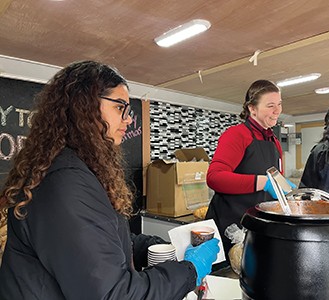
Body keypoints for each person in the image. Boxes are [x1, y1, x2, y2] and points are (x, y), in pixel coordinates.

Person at [0, 60, 219, 299]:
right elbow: (114, 294)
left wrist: (149, 247)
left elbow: (99, 240)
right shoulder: (65, 182)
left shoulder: (75, 168)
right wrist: (190, 271)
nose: (128, 119)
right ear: (84, 105)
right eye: (120, 107)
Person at [206, 79, 294, 258]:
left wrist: (284, 187)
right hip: (230, 226)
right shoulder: (236, 135)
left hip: (258, 225)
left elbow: (275, 176)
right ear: (252, 109)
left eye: (279, 104)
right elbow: (214, 177)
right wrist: (263, 182)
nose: (277, 111)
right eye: (270, 105)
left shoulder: (274, 141)